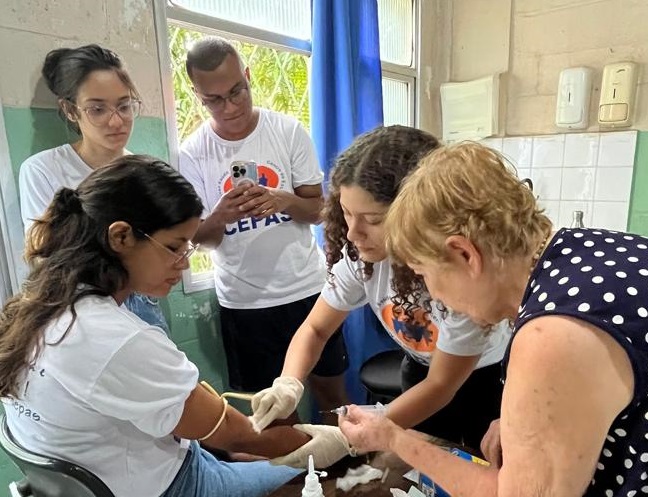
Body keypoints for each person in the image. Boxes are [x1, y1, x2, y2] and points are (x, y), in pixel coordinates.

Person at [339, 141, 648, 496]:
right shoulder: (598, 252)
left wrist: (394, 438)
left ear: (465, 255)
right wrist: (527, 424)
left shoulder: (553, 333)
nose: (434, 295)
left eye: (424, 273)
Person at [0, 156, 351, 497]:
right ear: (120, 237)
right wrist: (329, 441)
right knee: (324, 478)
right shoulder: (116, 339)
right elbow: (236, 434)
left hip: (132, 468)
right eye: (173, 247)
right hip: (175, 485)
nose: (183, 264)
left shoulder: (40, 306)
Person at [250, 126, 511, 450]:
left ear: (416, 213)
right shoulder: (364, 257)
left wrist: (359, 435)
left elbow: (443, 385)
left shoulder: (457, 273)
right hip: (421, 370)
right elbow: (316, 329)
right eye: (346, 214)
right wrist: (288, 383)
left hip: (484, 380)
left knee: (478, 467)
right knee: (419, 469)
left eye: (372, 220)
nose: (352, 233)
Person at [178, 36, 348, 419]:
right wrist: (220, 216)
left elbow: (321, 210)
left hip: (306, 289)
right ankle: (297, 478)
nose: (230, 106)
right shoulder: (192, 154)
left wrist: (284, 201)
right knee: (273, 410)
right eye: (214, 100)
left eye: (237, 90)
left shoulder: (287, 132)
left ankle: (347, 473)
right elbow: (196, 240)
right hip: (244, 303)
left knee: (331, 393)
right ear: (197, 96)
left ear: (248, 76)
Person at [18, 44, 169, 333]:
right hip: (80, 310)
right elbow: (47, 257)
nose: (116, 121)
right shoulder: (43, 169)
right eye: (97, 109)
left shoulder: (146, 171)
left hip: (142, 304)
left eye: (124, 106)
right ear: (70, 110)